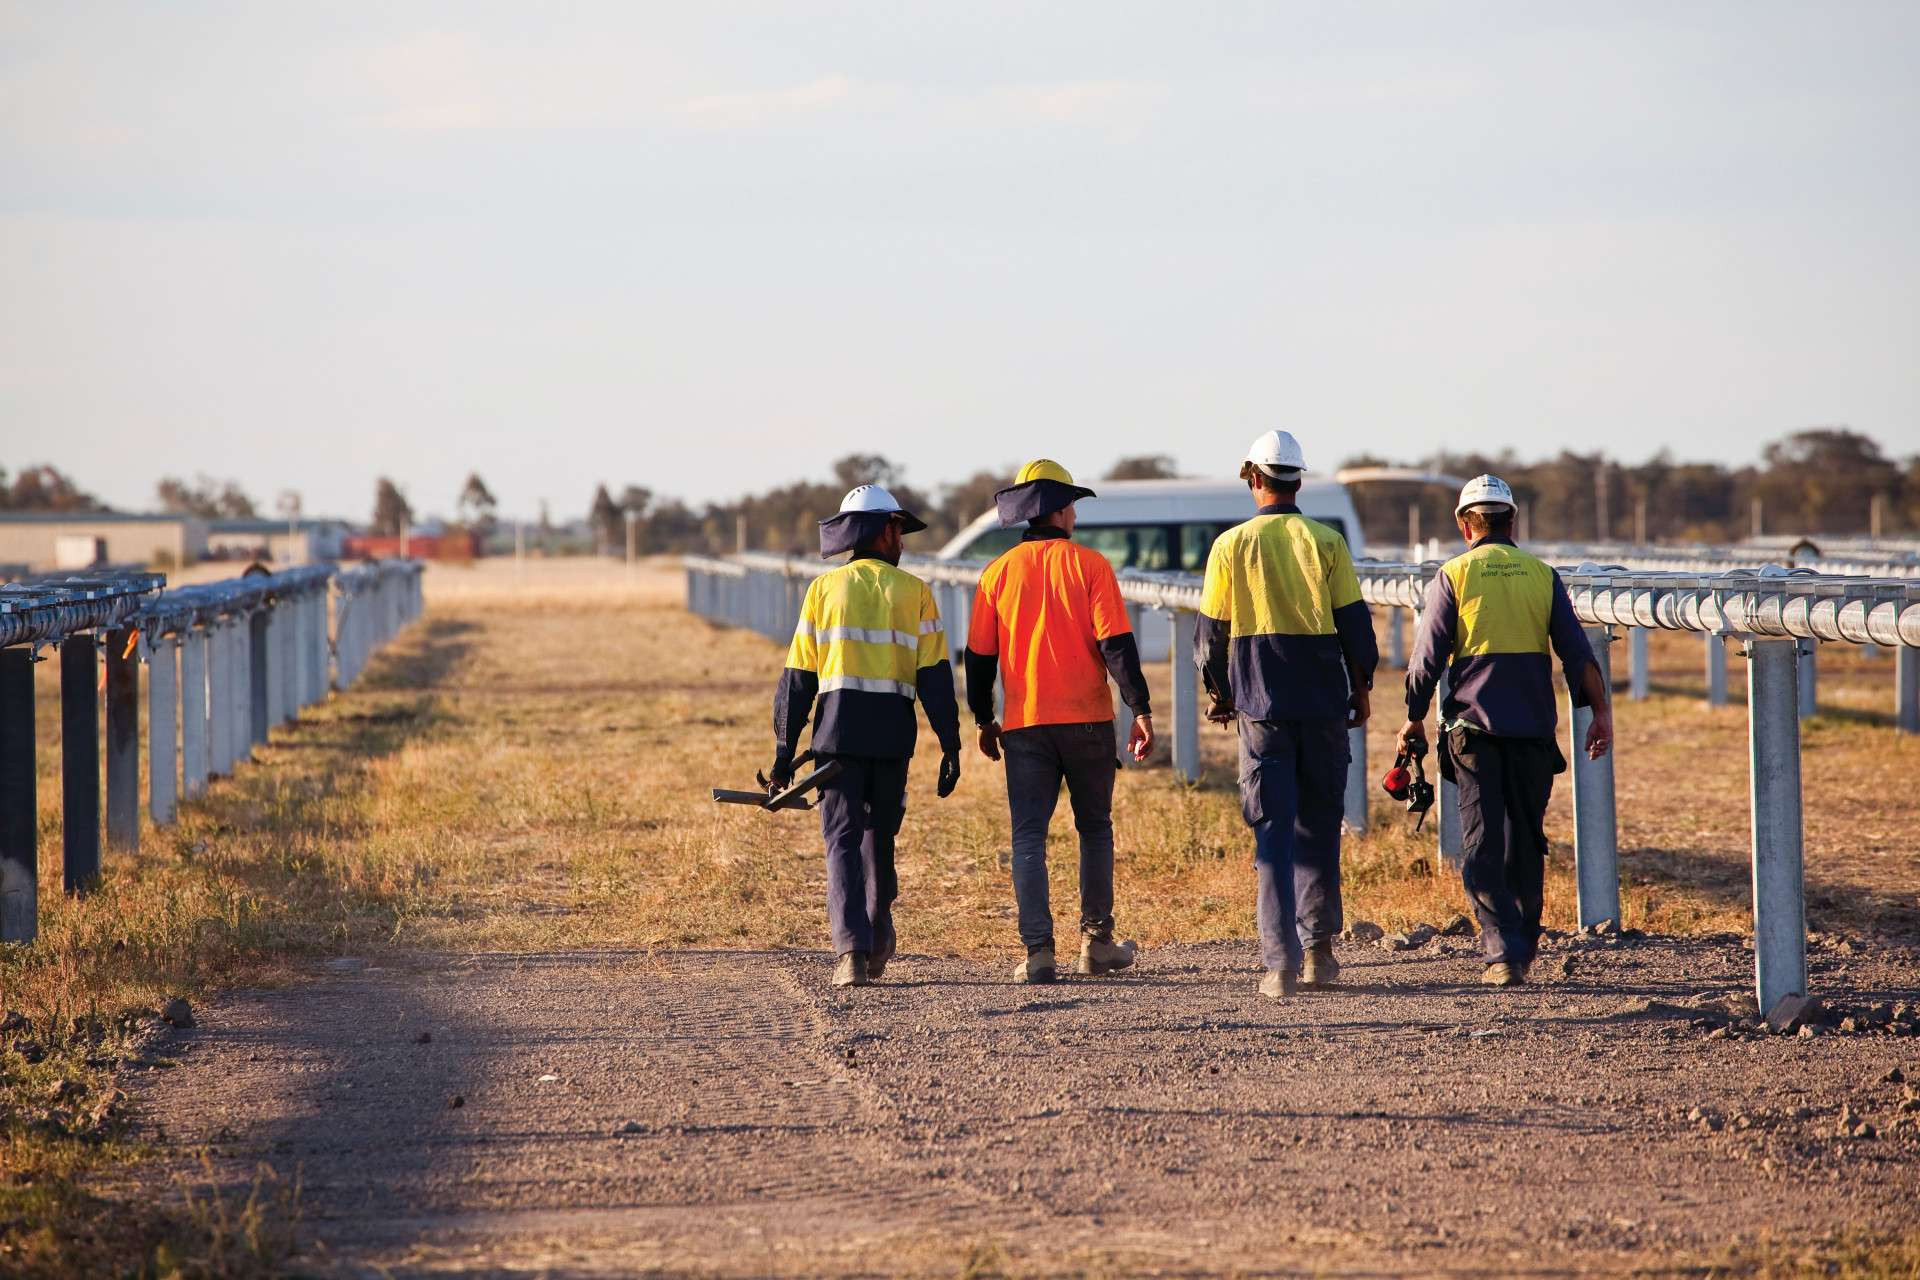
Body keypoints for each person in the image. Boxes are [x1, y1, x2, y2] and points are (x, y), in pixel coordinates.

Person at [1397, 474, 1614, 987]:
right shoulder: (1543, 575)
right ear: (1512, 521)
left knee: (1481, 842)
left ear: (1464, 523)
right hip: (1534, 732)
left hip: (1473, 733)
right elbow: (1576, 654)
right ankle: (1522, 943)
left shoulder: (1454, 574)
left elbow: (1427, 658)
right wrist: (1600, 713)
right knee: (1525, 841)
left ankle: (1501, 948)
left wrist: (1412, 715)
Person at [1195, 430, 1376, 998]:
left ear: (1254, 478)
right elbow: (1355, 625)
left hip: (1260, 707)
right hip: (1323, 703)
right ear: (1298, 479)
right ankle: (1320, 951)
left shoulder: (1230, 546)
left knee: (1272, 832)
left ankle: (1280, 965)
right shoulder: (1328, 542)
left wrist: (1221, 690)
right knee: (1319, 826)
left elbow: (1210, 636)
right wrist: (1363, 686)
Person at [967, 460, 1154, 984]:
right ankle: (1096, 944)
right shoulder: (1090, 565)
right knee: (1094, 829)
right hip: (1089, 722)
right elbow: (1116, 646)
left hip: (1025, 726)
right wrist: (1140, 709)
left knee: (1029, 837)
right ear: (1056, 511)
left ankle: (1037, 954)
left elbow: (978, 659)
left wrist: (984, 718)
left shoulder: (997, 573)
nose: (1075, 512)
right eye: (1071, 503)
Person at [772, 484, 963, 988]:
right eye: (899, 529)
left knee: (841, 840)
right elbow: (936, 676)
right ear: (883, 531)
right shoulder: (914, 591)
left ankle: (852, 953)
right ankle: (878, 936)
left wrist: (783, 751)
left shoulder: (822, 591)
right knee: (880, 837)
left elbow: (798, 680)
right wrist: (950, 743)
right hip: (893, 737)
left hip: (835, 739)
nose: (903, 539)